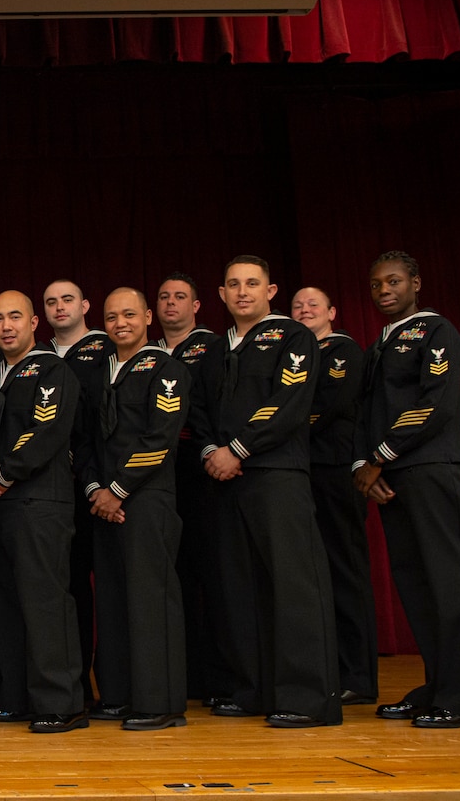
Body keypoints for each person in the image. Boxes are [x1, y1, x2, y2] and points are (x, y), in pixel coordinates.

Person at [354, 252, 460, 728]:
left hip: (431, 467)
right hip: (393, 477)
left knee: (454, 585)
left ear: (416, 281)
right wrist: (366, 465)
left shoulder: (436, 330)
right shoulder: (380, 342)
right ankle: (437, 686)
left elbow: (435, 403)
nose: (384, 290)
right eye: (375, 285)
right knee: (418, 586)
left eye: (393, 281)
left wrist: (380, 457)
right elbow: (368, 411)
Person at [204, 255, 341, 728]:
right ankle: (253, 690)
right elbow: (200, 411)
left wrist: (237, 448)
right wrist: (211, 452)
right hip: (226, 480)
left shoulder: (293, 337)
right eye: (233, 284)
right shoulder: (217, 349)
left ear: (271, 290)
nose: (243, 292)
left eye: (252, 284)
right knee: (240, 589)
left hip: (276, 474)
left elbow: (289, 401)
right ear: (221, 294)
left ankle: (306, 699)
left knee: (293, 587)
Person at [0, 290, 86, 733]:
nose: (5, 326)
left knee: (45, 605)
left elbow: (47, 430)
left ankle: (63, 702)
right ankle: (16, 696)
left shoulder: (53, 369)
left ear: (34, 322)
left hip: (41, 501)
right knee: (6, 604)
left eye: (14, 317)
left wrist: (5, 472)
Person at [82, 288, 190, 731]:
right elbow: (86, 441)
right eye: (111, 316)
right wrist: (96, 491)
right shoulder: (99, 372)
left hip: (144, 499)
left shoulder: (167, 368)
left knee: (150, 600)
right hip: (103, 502)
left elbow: (159, 439)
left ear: (148, 316)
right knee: (112, 598)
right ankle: (119, 694)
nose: (120, 322)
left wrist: (118, 490)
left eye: (129, 314)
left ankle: (159, 701)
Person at [292, 285, 377, 705]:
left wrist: (282, 430)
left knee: (346, 572)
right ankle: (329, 669)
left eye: (313, 305)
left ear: (332, 311)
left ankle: (358, 676)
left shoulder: (342, 351)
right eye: (297, 306)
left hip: (335, 471)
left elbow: (326, 405)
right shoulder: (295, 353)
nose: (305, 310)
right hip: (304, 472)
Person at [154, 273, 235, 707]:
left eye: (180, 296)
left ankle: (219, 677)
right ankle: (183, 675)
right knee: (175, 573)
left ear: (198, 304)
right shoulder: (147, 353)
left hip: (201, 465)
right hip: (158, 471)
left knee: (214, 572)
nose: (171, 303)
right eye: (164, 297)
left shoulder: (213, 346)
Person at [43, 279, 113, 707]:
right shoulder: (38, 356)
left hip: (100, 486)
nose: (59, 307)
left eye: (67, 299)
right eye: (50, 302)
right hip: (52, 489)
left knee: (104, 585)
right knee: (64, 587)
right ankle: (76, 685)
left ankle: (113, 685)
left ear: (85, 305)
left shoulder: (108, 349)